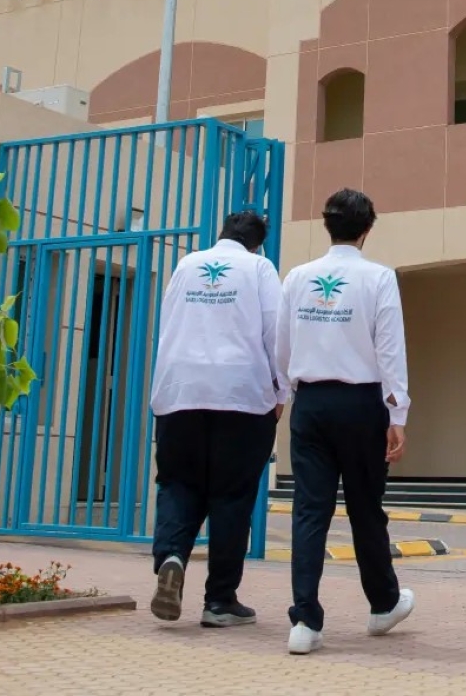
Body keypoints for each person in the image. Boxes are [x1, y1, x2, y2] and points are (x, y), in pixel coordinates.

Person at [274, 188, 415, 656]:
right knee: (365, 507)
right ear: (367, 229)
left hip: (310, 402)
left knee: (309, 510)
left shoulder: (297, 277)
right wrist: (398, 413)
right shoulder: (378, 278)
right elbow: (390, 349)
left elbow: (282, 347)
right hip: (361, 404)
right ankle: (383, 604)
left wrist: (288, 391)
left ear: (326, 224)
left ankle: (305, 620)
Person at [146, 210, 284, 628]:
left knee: (177, 482)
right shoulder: (259, 269)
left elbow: (168, 325)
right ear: (257, 244)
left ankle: (172, 556)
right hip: (240, 395)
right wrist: (281, 392)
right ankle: (220, 601)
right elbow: (276, 333)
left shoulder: (186, 265)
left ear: (221, 233)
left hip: (181, 392)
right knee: (232, 495)